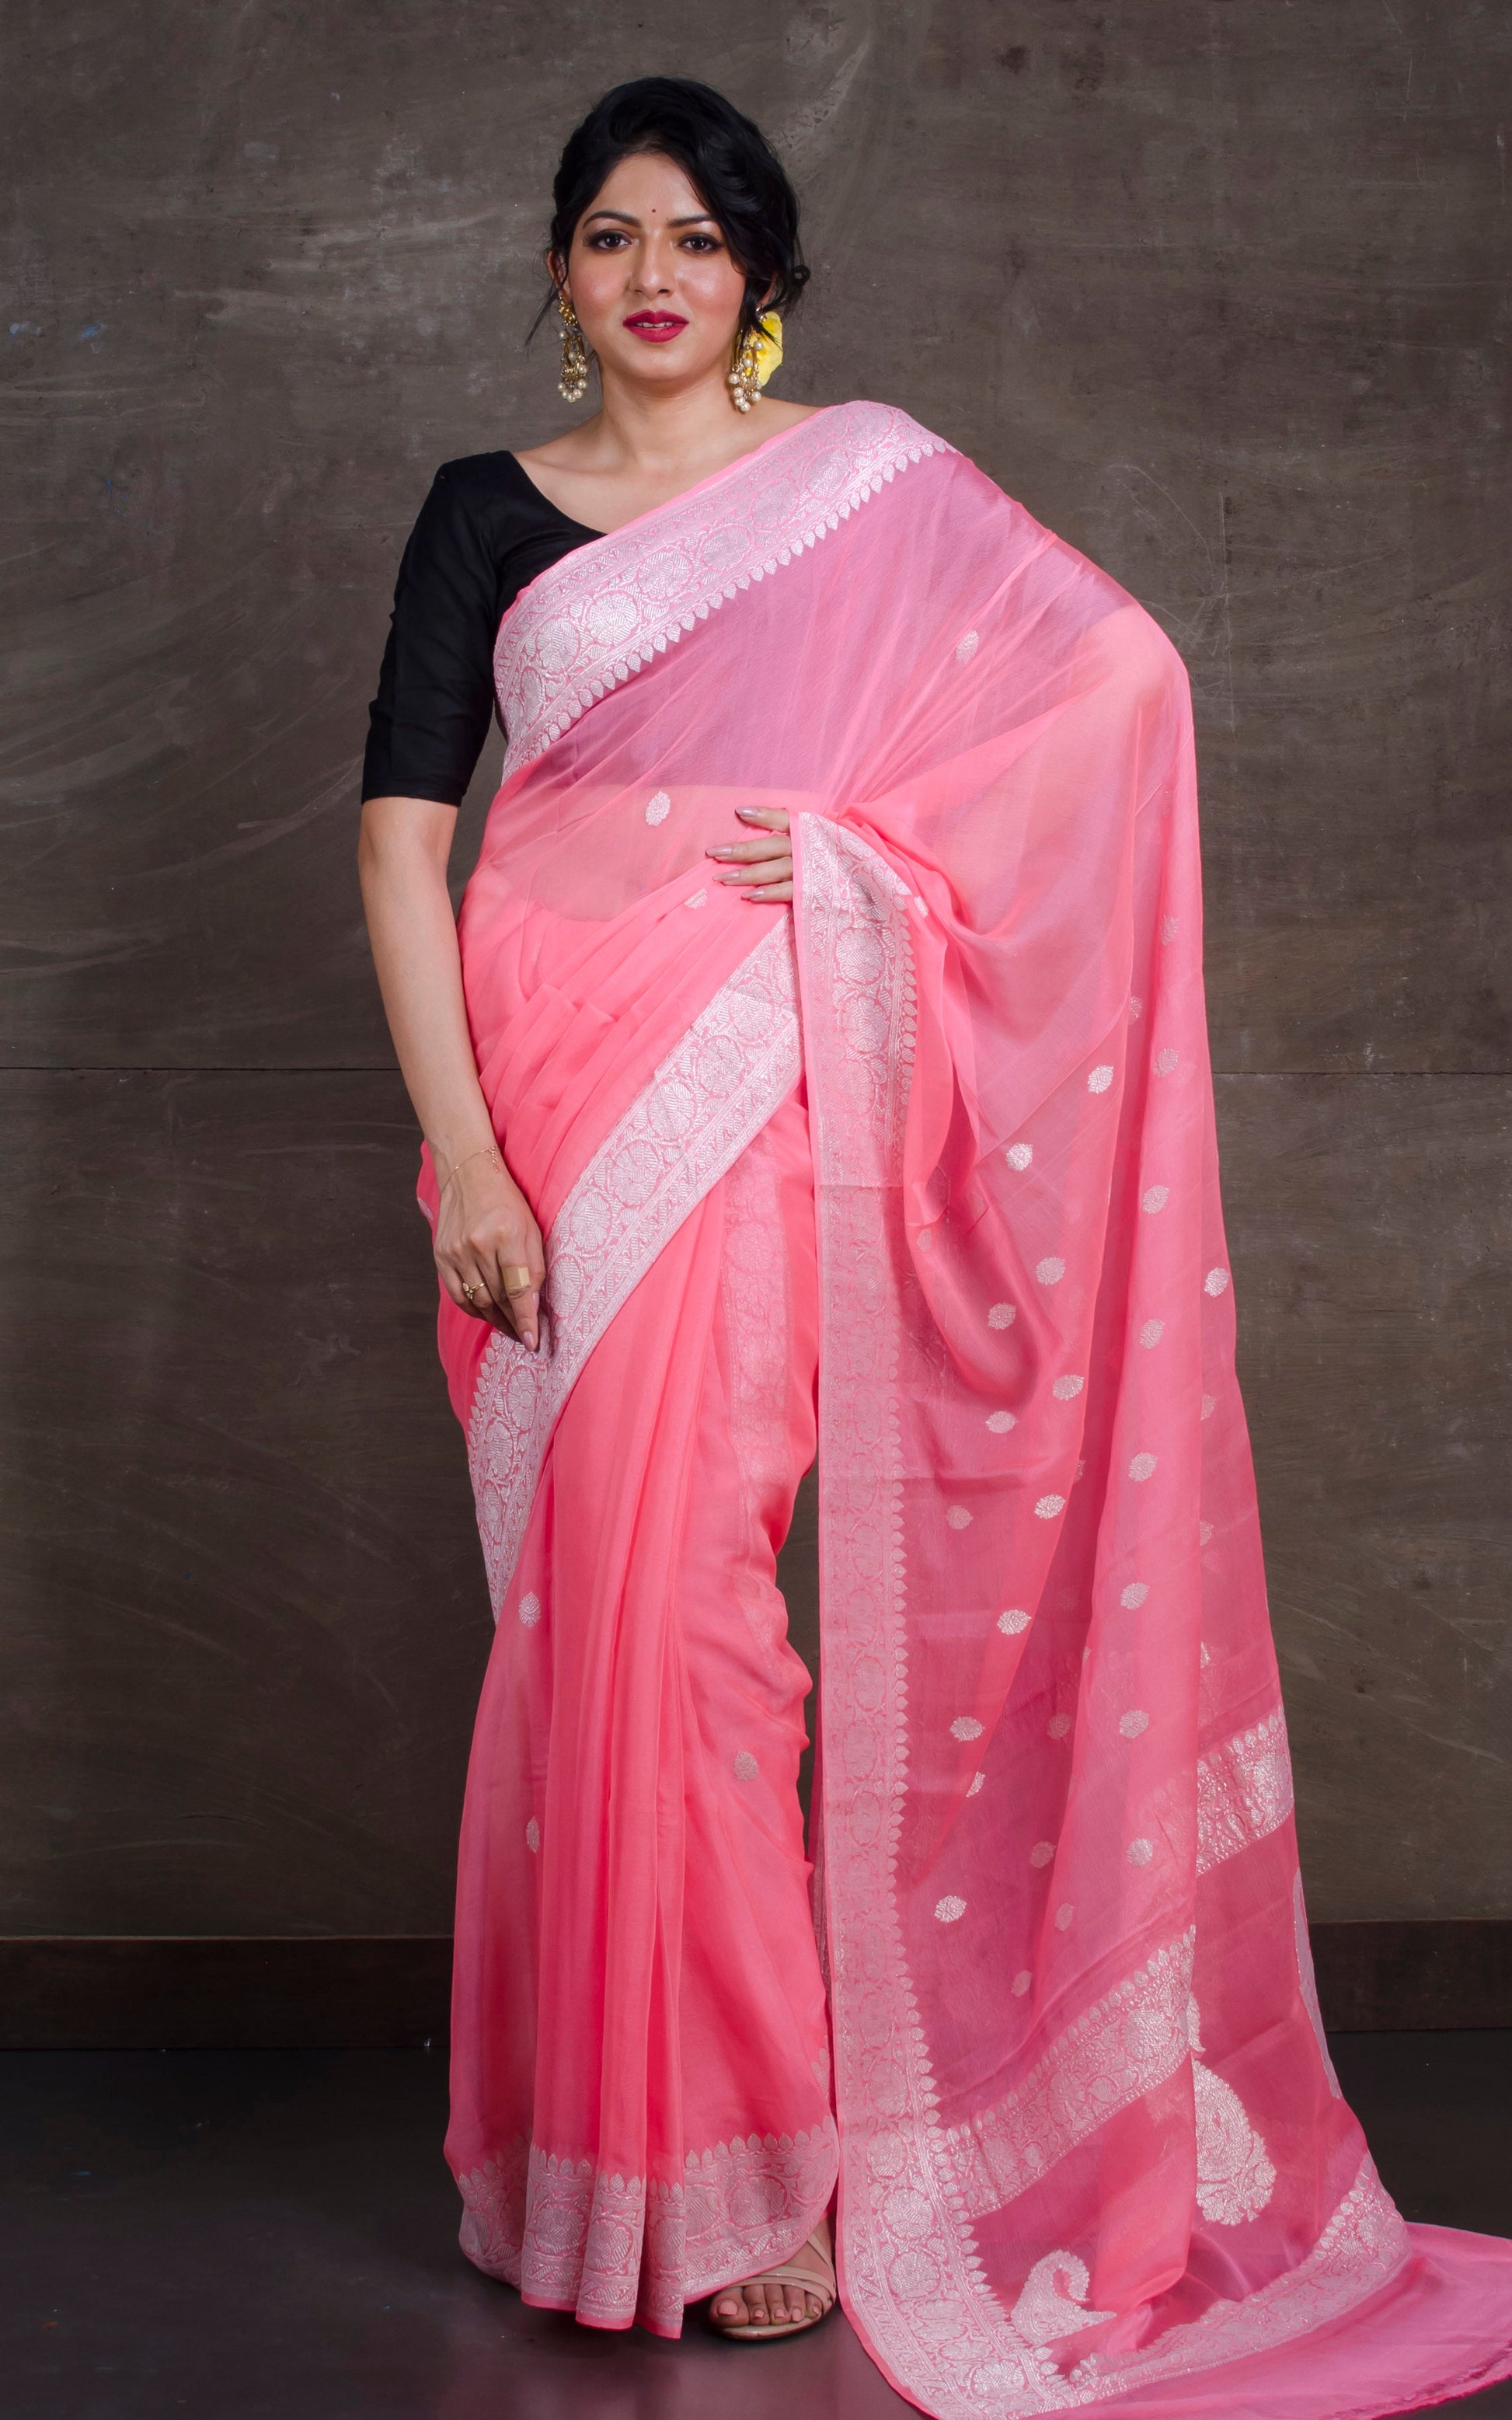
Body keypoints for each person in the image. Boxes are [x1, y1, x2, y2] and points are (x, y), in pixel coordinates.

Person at [358, 72, 1512, 2416]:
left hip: (753, 1084)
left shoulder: (864, 485)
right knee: (587, 1629)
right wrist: (464, 1157)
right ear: (560, 270)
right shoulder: (484, 509)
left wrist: (864, 864)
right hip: (544, 1099)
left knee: (692, 1617)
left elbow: (1116, 683)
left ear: (761, 283)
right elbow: (400, 843)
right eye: (613, 236)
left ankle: (752, 2173)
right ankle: (605, 2167)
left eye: (699, 239)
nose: (655, 276)